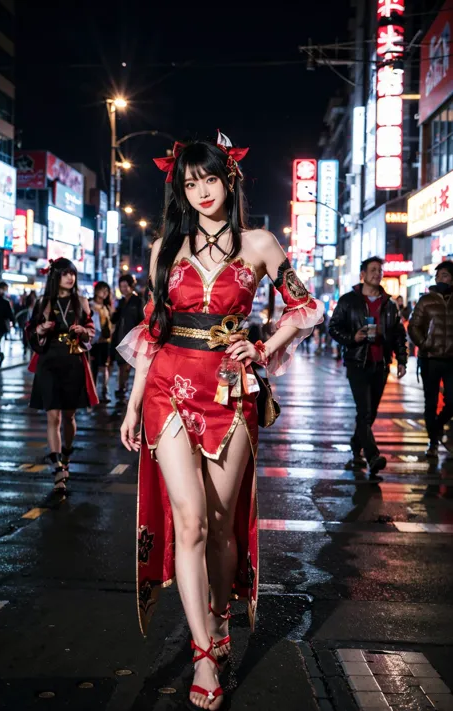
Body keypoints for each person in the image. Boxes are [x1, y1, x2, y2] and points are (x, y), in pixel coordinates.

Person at [118, 132, 324, 709]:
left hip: (230, 392)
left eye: (210, 179)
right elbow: (152, 335)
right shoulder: (166, 248)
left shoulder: (260, 243)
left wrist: (262, 349)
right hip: (166, 389)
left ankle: (221, 615)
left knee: (220, 520)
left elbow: (305, 307)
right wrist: (133, 405)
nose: (201, 191)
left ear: (229, 178)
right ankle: (205, 653)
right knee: (189, 523)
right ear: (180, 190)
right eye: (190, 183)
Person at [329, 256, 407, 479]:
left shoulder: (389, 304)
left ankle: (356, 446)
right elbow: (333, 327)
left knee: (370, 413)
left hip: (381, 364)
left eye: (380, 270)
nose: (377, 274)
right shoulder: (348, 300)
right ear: (363, 274)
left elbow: (399, 334)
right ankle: (372, 456)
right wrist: (352, 337)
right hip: (357, 363)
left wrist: (402, 359)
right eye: (373, 270)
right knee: (364, 411)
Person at [26, 258, 98, 493]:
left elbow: (91, 334)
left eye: (73, 274)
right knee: (53, 417)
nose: (70, 278)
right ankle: (57, 467)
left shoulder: (81, 302)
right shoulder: (43, 302)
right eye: (66, 273)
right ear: (55, 276)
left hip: (73, 363)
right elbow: (30, 332)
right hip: (49, 363)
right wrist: (39, 329)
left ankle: (66, 454)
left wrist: (83, 332)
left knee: (69, 417)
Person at [408, 261, 453, 457]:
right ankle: (433, 443)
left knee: (451, 400)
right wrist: (424, 344)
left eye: (444, 275)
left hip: (451, 360)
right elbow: (413, 326)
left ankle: (436, 427)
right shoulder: (425, 300)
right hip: (430, 359)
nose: (440, 278)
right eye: (438, 275)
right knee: (431, 402)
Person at [111, 274, 144, 399]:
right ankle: (121, 388)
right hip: (120, 336)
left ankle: (126, 389)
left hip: (133, 337)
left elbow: (142, 319)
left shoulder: (138, 301)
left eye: (125, 286)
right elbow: (114, 320)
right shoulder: (120, 302)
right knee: (121, 364)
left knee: (128, 365)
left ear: (131, 286)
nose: (123, 289)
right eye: (121, 286)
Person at [90, 281, 113, 403]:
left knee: (104, 367)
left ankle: (104, 391)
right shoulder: (89, 305)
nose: (104, 293)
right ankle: (92, 392)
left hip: (105, 342)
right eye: (102, 290)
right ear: (96, 291)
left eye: (106, 290)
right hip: (93, 342)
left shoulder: (107, 307)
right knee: (93, 368)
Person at [0, 281, 14, 366]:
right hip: (1, 325)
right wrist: (13, 321)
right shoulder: (5, 301)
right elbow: (9, 314)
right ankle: (0, 354)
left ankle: (0, 354)